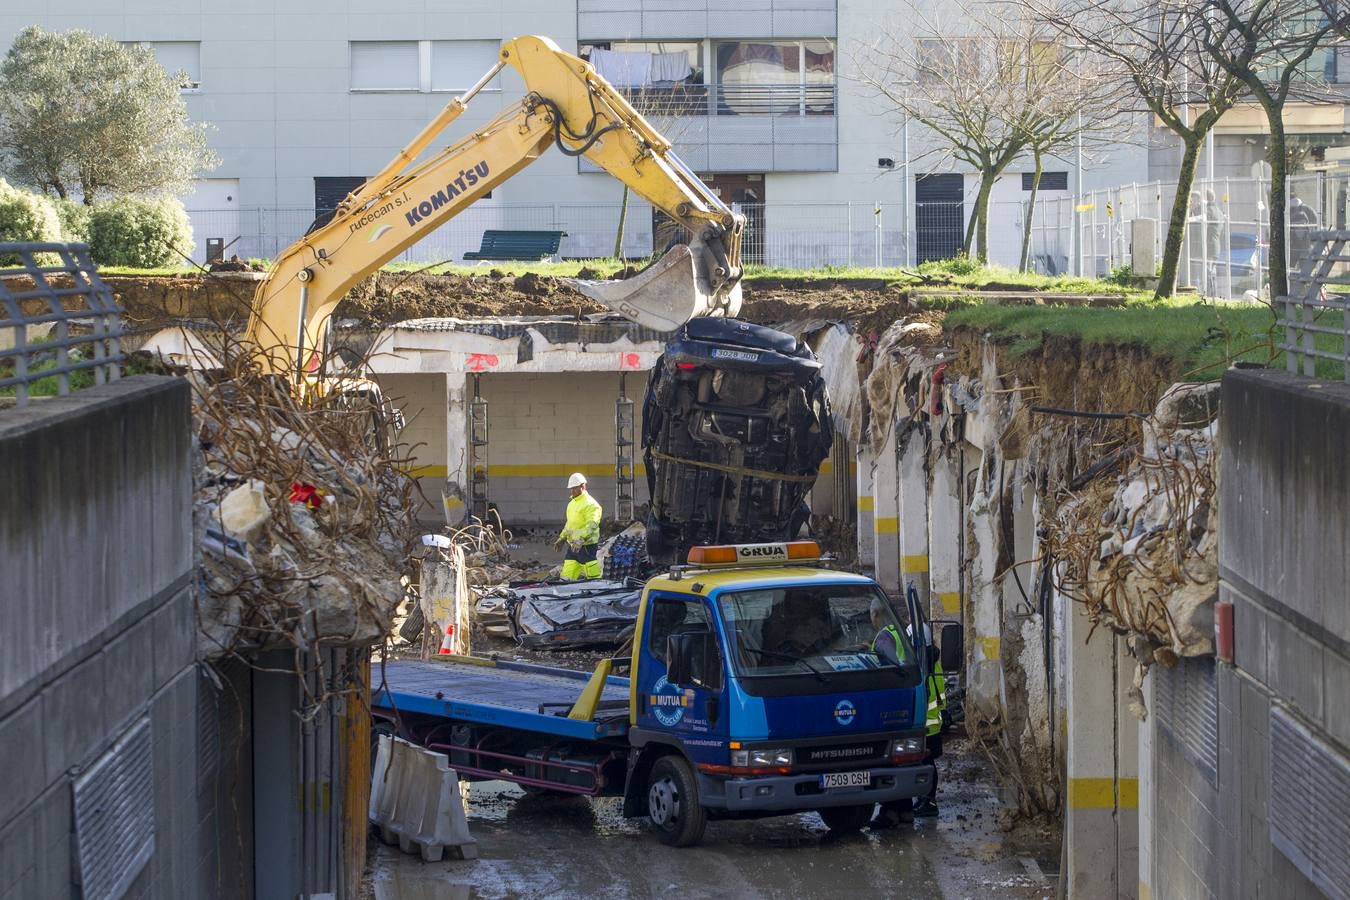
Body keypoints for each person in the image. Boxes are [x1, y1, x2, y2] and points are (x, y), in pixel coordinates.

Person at [555, 472, 602, 580]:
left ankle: (597, 594)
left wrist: (581, 539)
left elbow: (592, 525)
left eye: (575, 488)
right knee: (566, 578)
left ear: (583, 486)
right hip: (573, 547)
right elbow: (569, 524)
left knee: (594, 579)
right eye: (571, 488)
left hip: (586, 547)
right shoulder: (572, 504)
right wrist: (562, 538)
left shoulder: (591, 504)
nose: (572, 491)